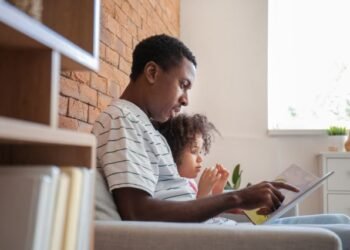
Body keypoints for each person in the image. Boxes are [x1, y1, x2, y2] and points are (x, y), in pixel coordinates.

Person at [92, 34, 350, 246]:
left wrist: (233, 203)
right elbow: (138, 213)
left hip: (213, 228)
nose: (186, 99)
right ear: (151, 72)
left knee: (341, 220)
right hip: (206, 238)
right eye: (183, 84)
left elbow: (173, 201)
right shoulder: (121, 119)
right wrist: (235, 198)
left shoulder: (145, 126)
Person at [156, 113, 230, 198]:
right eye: (194, 151)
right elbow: (190, 210)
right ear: (173, 152)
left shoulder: (190, 182)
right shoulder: (167, 189)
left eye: (200, 152)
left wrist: (217, 190)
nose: (200, 159)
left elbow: (210, 209)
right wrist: (203, 194)